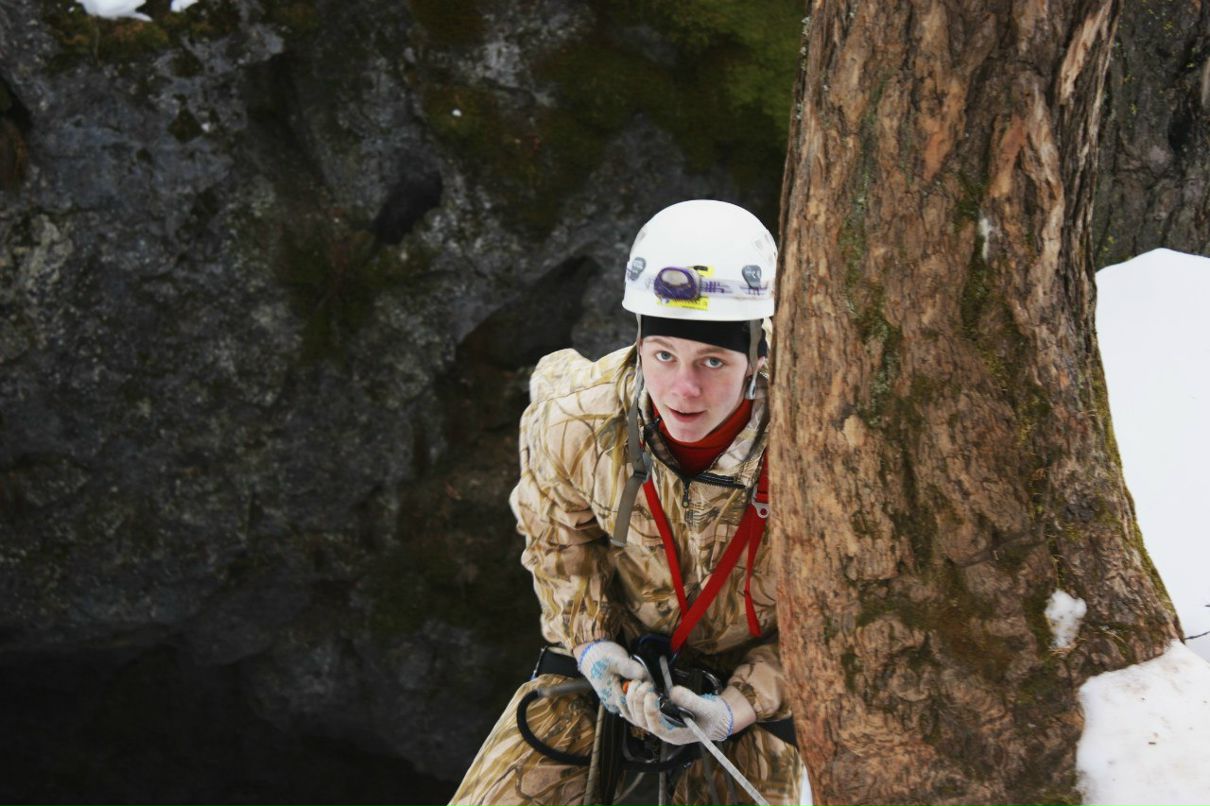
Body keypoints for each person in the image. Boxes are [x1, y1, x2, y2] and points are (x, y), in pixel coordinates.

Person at [449, 200, 802, 806]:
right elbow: (555, 534)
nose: (683, 389)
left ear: (757, 359)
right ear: (639, 342)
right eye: (663, 354)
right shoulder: (580, 419)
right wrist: (589, 643)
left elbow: (835, 621)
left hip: (752, 692)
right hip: (623, 662)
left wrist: (735, 708)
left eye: (713, 362)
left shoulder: (813, 448)